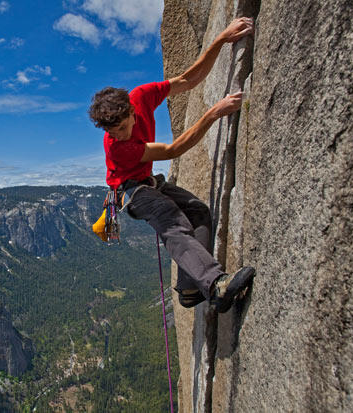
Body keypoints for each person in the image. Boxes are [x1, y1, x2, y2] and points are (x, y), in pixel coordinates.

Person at [88, 17, 256, 313]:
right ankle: (215, 284)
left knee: (197, 211)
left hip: (148, 182)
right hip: (130, 191)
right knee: (171, 218)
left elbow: (189, 80)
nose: (118, 136)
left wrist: (220, 39)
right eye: (111, 133)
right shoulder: (118, 148)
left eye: (122, 128)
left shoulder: (141, 96)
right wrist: (213, 113)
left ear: (130, 110)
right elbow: (173, 149)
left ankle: (191, 287)